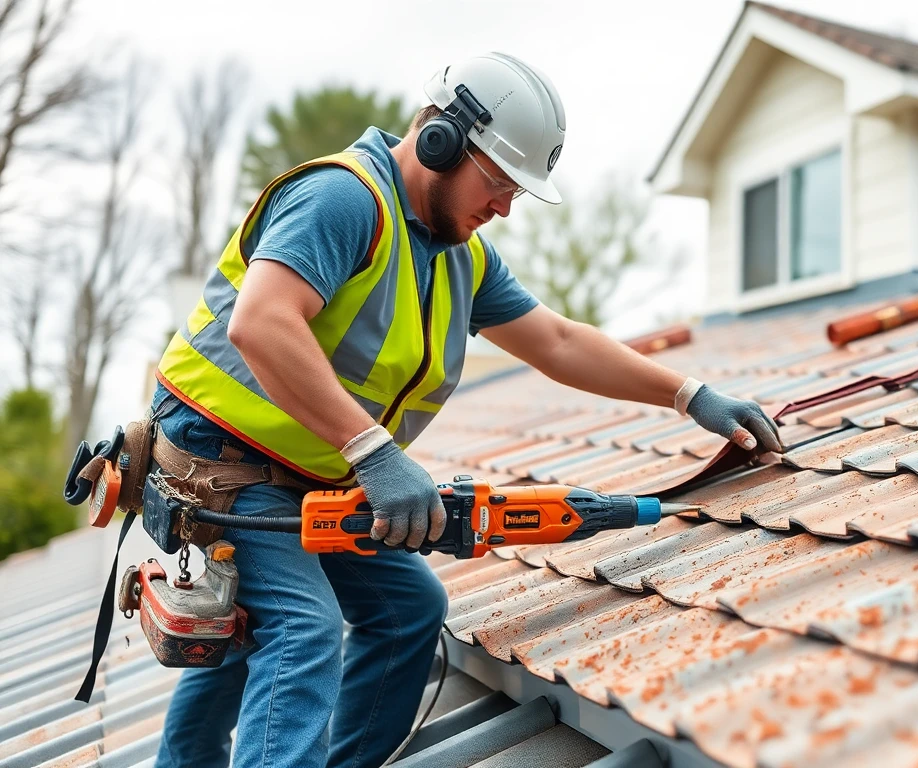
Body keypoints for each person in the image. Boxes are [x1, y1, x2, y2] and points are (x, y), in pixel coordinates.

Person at [151, 52, 782, 768]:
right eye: (498, 183)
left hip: (311, 475)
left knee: (407, 613)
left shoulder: (459, 256)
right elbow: (260, 323)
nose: (505, 208)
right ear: (440, 141)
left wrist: (689, 395)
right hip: (218, 460)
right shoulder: (342, 200)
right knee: (301, 630)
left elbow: (558, 340)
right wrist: (374, 453)